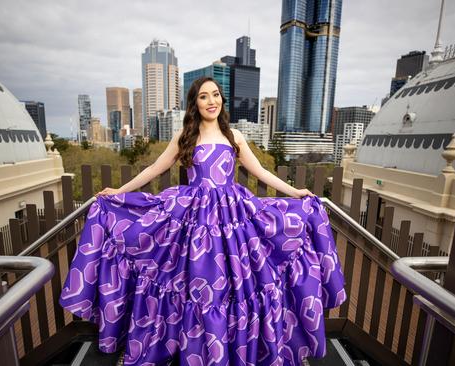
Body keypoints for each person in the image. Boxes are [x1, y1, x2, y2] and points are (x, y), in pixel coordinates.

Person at [60, 77, 346, 365]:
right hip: (194, 217)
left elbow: (259, 171)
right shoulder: (186, 136)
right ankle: (195, 347)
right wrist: (119, 192)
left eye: (216, 95)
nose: (212, 101)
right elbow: (155, 168)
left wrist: (296, 192)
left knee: (237, 285)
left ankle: (231, 346)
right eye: (204, 96)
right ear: (194, 103)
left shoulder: (235, 136)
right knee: (195, 280)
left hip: (233, 217)